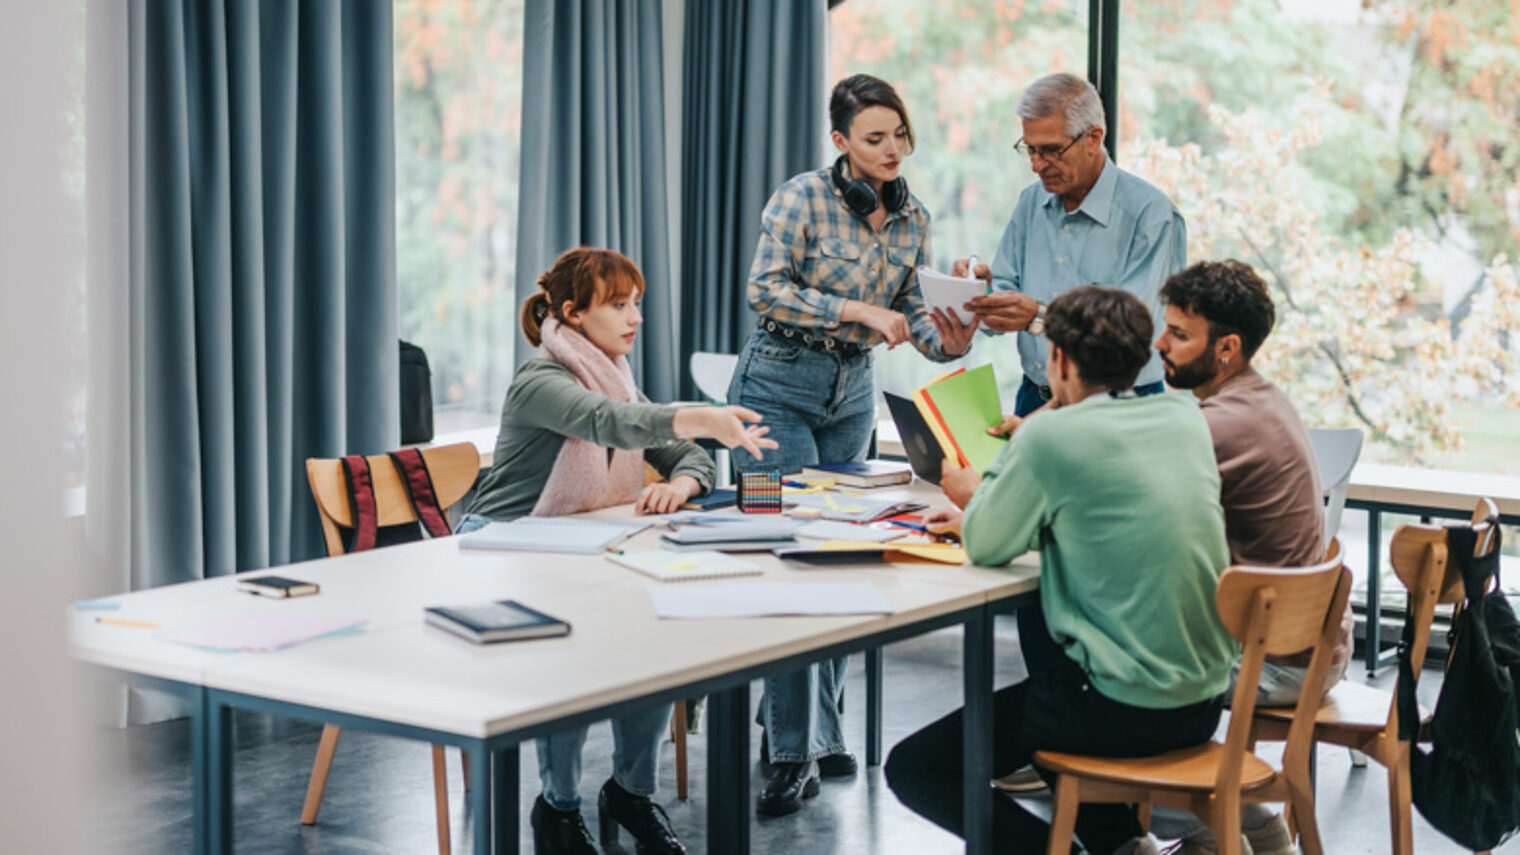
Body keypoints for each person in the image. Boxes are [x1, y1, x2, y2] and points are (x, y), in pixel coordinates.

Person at [884, 286, 1236, 855]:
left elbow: (989, 543)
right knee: (1050, 700)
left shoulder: (1051, 436)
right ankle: (1126, 848)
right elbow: (1096, 498)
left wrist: (972, 492)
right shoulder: (1182, 415)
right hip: (1203, 699)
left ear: (1059, 360)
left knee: (917, 767)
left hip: (1124, 705)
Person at [458, 247, 778, 855]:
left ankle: (630, 792)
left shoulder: (617, 377)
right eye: (619, 305)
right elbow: (609, 422)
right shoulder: (541, 381)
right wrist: (701, 418)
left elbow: (685, 455)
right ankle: (557, 808)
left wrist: (683, 483)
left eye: (637, 304)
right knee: (571, 653)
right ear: (573, 313)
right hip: (500, 543)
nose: (636, 318)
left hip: (580, 541)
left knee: (655, 635)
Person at [726, 73, 977, 817]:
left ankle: (812, 722)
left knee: (838, 554)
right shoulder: (801, 198)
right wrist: (856, 310)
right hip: (772, 389)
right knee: (789, 553)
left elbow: (914, 318)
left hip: (851, 396)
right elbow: (765, 290)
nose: (892, 149)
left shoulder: (915, 218)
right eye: (874, 138)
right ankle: (792, 752)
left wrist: (954, 335)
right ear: (840, 142)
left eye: (900, 135)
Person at [1151, 259, 1353, 855]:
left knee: (1115, 685)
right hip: (1306, 646)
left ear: (1227, 348)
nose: (1159, 344)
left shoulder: (1224, 423)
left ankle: (1213, 826)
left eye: (1178, 334)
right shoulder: (1260, 399)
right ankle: (1249, 828)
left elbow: (1125, 498)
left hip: (1276, 661)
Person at [956, 72, 1186, 418]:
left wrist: (1039, 315)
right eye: (1030, 149)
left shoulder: (1152, 215)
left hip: (1121, 404)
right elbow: (1007, 286)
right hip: (1034, 396)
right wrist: (980, 294)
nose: (1036, 165)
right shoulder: (1031, 202)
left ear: (1093, 138)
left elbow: (1134, 332)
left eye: (1050, 150)